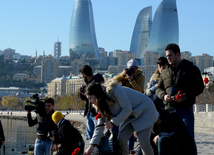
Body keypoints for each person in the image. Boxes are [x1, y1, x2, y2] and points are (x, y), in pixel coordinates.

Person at [83, 80, 159, 155]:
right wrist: (91, 146)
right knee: (122, 140)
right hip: (130, 116)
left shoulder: (114, 90)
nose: (89, 101)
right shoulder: (100, 104)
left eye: (90, 98)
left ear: (97, 94)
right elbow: (99, 126)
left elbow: (127, 109)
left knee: (143, 142)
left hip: (145, 110)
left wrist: (112, 122)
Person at [156, 43, 204, 140]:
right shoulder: (165, 72)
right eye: (167, 56)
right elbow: (158, 88)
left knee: (188, 140)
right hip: (168, 111)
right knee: (167, 140)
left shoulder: (191, 69)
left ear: (178, 54)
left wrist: (184, 97)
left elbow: (199, 87)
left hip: (185, 109)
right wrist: (164, 96)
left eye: (170, 55)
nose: (168, 58)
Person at [113, 59, 145, 152]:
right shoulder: (125, 76)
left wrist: (132, 80)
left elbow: (140, 90)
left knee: (131, 128)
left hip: (136, 106)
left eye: (135, 68)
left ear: (137, 69)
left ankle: (131, 149)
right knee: (123, 128)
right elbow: (113, 81)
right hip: (124, 105)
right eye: (131, 68)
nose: (133, 71)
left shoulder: (140, 77)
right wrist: (122, 75)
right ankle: (122, 149)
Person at [79, 65, 104, 140]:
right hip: (89, 112)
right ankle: (92, 151)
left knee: (98, 134)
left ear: (85, 75)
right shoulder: (87, 84)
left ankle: (99, 150)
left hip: (97, 112)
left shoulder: (98, 81)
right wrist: (81, 92)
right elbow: (84, 98)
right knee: (90, 136)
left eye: (82, 76)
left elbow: (99, 94)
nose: (82, 78)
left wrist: (88, 92)